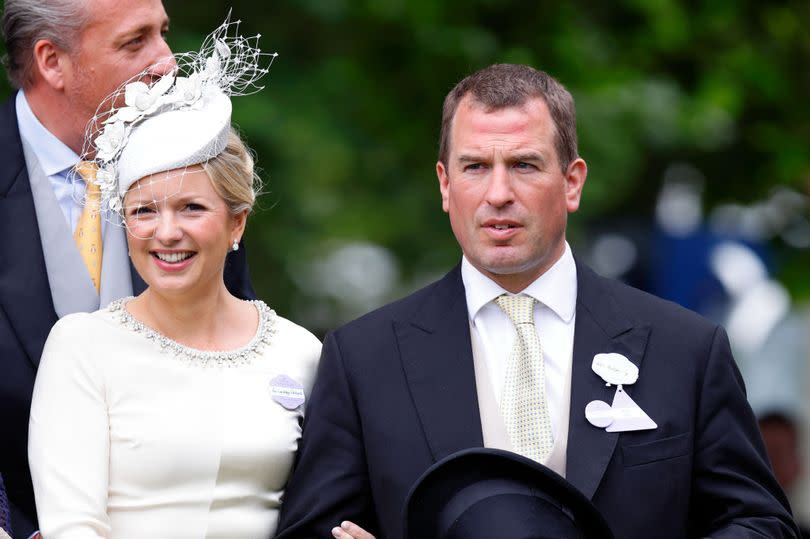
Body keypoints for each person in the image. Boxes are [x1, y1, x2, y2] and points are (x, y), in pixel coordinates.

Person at [275, 64, 800, 539]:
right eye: (475, 167)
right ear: (444, 185)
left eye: (524, 165)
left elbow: (758, 524)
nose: (498, 193)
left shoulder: (686, 349)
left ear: (572, 183)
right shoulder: (364, 358)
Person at [27, 22, 310, 539]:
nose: (166, 233)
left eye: (191, 208)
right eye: (144, 211)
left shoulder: (300, 353)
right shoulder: (81, 347)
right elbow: (73, 525)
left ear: (237, 222)